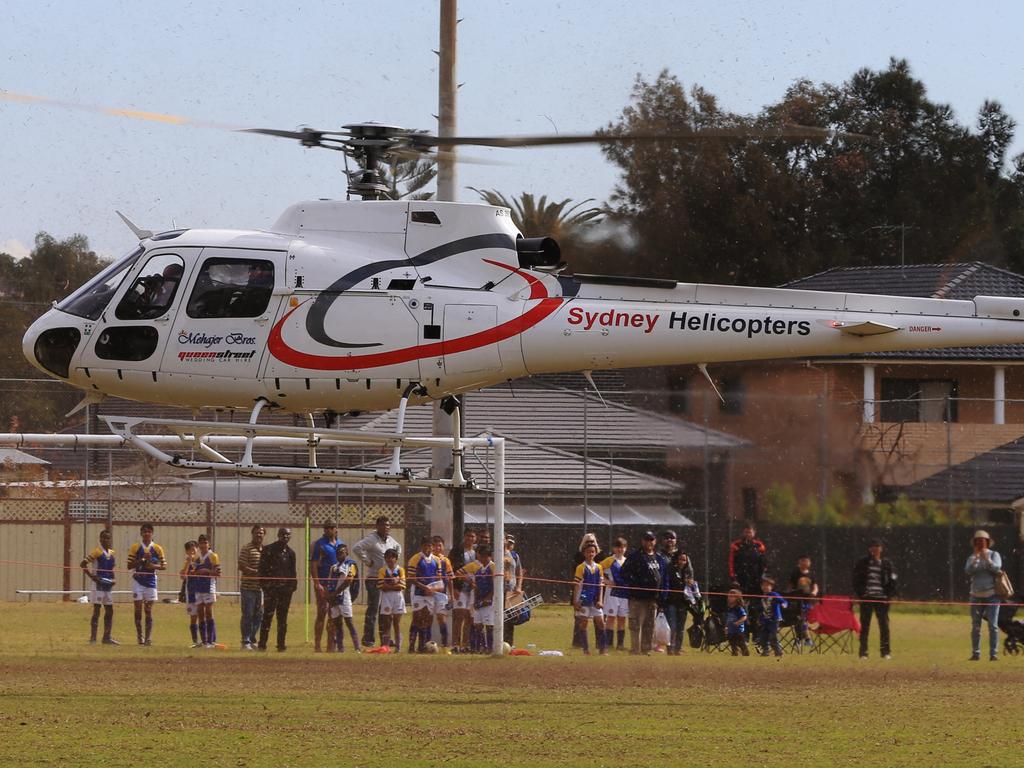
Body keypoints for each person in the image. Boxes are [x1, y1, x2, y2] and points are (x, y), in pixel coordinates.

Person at [351, 516, 402, 647]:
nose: (386, 528)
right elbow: (357, 548)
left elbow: (398, 548)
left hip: (387, 578)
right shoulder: (372, 539)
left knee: (385, 611)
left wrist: (394, 562)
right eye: (384, 525)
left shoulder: (390, 540)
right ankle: (368, 639)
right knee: (373, 609)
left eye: (388, 525)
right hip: (374, 578)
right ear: (378, 526)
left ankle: (385, 638)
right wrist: (368, 561)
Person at [621, 531, 667, 655]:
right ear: (642, 541)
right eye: (647, 539)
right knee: (635, 624)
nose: (649, 542)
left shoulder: (659, 558)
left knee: (649, 625)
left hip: (653, 598)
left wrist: (662, 594)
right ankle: (635, 649)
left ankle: (646, 648)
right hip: (637, 597)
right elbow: (624, 573)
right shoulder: (635, 556)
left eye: (651, 539)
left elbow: (662, 577)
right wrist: (637, 584)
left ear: (655, 541)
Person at [852, 538, 897, 660]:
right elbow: (855, 579)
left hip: (881, 599)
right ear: (869, 549)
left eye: (877, 547)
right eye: (872, 546)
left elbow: (893, 580)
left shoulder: (887, 563)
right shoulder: (863, 562)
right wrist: (861, 594)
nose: (874, 549)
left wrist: (888, 596)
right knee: (865, 626)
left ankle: (885, 652)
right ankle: (863, 653)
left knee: (884, 626)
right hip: (867, 598)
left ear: (881, 549)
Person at [126, 523, 167, 646]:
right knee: (138, 609)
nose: (147, 534)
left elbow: (164, 566)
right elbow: (129, 565)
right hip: (138, 580)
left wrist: (152, 566)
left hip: (151, 581)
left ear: (152, 533)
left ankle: (148, 638)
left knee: (148, 610)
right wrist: (142, 559)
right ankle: (140, 637)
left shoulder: (158, 548)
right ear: (141, 533)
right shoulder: (135, 547)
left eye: (149, 531)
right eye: (144, 531)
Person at [965, 529, 1003, 661]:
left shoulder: (994, 554)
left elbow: (997, 568)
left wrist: (987, 559)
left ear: (987, 542)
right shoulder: (971, 557)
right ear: (975, 543)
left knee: (993, 625)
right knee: (976, 626)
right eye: (978, 541)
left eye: (983, 541)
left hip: (992, 594)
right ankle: (976, 653)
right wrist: (976, 558)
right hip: (975, 595)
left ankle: (993, 654)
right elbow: (969, 571)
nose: (980, 543)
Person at [258, 527, 297, 652]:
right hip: (271, 590)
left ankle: (281, 645)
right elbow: (261, 570)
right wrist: (266, 587)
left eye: (288, 535)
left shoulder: (291, 553)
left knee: (282, 618)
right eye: (283, 534)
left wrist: (291, 587)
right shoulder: (269, 550)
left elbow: (292, 572)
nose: (286, 537)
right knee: (267, 617)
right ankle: (262, 644)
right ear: (278, 535)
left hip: (285, 591)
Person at [80, 529, 118, 645]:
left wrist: (113, 579)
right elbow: (83, 564)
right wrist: (92, 577)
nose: (106, 540)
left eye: (108, 538)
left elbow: (111, 569)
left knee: (109, 610)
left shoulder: (112, 553)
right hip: (98, 585)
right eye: (104, 538)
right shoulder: (97, 552)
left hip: (108, 585)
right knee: (97, 610)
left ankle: (106, 637)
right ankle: (93, 638)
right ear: (100, 539)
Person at [407, 536, 444, 653]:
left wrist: (436, 588)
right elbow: (411, 578)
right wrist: (424, 587)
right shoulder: (415, 559)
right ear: (422, 546)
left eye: (430, 546)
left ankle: (423, 646)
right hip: (418, 592)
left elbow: (438, 578)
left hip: (431, 594)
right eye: (426, 545)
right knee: (417, 618)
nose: (428, 548)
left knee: (427, 619)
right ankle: (411, 645)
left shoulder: (437, 560)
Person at [310, 520, 341, 652]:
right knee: (322, 612)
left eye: (332, 527)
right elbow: (313, 565)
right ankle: (317, 645)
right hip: (324, 584)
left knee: (333, 615)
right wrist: (317, 583)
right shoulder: (320, 545)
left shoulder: (340, 544)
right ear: (324, 529)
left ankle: (331, 646)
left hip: (336, 584)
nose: (329, 530)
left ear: (336, 529)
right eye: (327, 527)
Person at [661, 550, 697, 656]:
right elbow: (670, 584)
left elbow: (690, 588)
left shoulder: (686, 572)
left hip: (683, 603)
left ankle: (678, 648)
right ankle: (670, 648)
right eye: (681, 559)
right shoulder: (670, 570)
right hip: (671, 602)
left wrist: (691, 584)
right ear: (676, 559)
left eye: (685, 560)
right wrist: (683, 582)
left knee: (681, 627)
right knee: (672, 626)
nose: (683, 562)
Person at [573, 542, 607, 655]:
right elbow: (577, 585)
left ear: (596, 553)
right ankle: (586, 649)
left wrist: (600, 600)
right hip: (584, 598)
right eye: (588, 552)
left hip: (595, 599)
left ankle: (603, 649)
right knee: (584, 622)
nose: (591, 554)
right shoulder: (581, 567)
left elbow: (601, 585)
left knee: (601, 622)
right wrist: (575, 601)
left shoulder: (599, 567)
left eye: (593, 551)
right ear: (584, 553)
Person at [327, 543, 361, 653]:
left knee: (349, 622)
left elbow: (348, 581)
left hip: (344, 596)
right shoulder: (334, 567)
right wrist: (329, 596)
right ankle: (341, 648)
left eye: (342, 552)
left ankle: (357, 648)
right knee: (337, 624)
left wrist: (336, 592)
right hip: (333, 598)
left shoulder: (350, 564)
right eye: (337, 553)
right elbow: (330, 582)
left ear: (346, 553)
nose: (339, 555)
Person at [448, 529, 478, 653]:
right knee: (458, 616)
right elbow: (451, 570)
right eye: (468, 536)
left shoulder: (477, 552)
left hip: (473, 589)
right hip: (460, 588)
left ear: (475, 538)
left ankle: (465, 645)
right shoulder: (457, 551)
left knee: (469, 618)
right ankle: (455, 644)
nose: (470, 539)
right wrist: (454, 587)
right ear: (464, 537)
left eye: (472, 536)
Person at [599, 537, 630, 651]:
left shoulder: (627, 561)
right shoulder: (609, 560)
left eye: (622, 547)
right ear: (614, 548)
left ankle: (620, 644)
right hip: (612, 593)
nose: (620, 549)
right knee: (611, 617)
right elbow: (598, 569)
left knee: (622, 618)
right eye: (618, 547)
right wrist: (606, 581)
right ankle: (609, 643)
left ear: (625, 548)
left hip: (625, 593)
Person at [238, 525, 265, 650]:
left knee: (259, 615)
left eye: (261, 533)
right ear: (252, 533)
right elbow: (242, 565)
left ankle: (252, 638)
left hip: (260, 589)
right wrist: (255, 572)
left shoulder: (265, 550)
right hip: (248, 587)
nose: (259, 535)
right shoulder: (247, 548)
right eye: (256, 533)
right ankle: (245, 641)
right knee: (247, 614)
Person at [193, 534, 221, 648]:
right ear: (198, 545)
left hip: (209, 586)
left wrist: (206, 571)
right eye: (201, 542)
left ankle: (211, 640)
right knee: (200, 613)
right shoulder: (197, 557)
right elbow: (193, 572)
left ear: (208, 544)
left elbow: (218, 573)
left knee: (208, 612)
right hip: (199, 587)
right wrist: (197, 572)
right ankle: (204, 641)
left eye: (205, 542)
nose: (203, 545)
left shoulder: (213, 556)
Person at [377, 548, 406, 651]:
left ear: (396, 559)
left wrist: (388, 584)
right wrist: (394, 584)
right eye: (387, 557)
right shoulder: (382, 570)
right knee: (387, 622)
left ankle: (398, 647)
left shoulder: (400, 570)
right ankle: (386, 647)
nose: (390, 559)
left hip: (397, 597)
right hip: (386, 597)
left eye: (392, 557)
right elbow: (381, 586)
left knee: (396, 623)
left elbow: (401, 586)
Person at [471, 545, 496, 654]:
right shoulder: (479, 570)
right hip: (479, 601)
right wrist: (476, 600)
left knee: (489, 625)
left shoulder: (493, 568)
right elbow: (476, 586)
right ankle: (480, 647)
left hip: (489, 602)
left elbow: (496, 586)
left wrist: (488, 598)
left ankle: (490, 647)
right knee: (478, 625)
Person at [431, 535, 455, 649]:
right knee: (426, 618)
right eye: (435, 545)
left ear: (443, 547)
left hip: (442, 594)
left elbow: (450, 579)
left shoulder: (446, 560)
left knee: (441, 617)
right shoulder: (428, 559)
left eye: (439, 545)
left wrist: (451, 595)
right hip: (429, 593)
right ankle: (425, 643)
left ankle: (444, 644)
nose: (437, 548)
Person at [502, 535, 525, 647]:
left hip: (512, 591)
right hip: (498, 592)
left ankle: (509, 645)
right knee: (497, 618)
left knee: (511, 618)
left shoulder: (515, 556)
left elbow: (519, 572)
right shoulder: (494, 554)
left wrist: (519, 587)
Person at [757, 576, 787, 657]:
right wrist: (760, 619)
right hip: (765, 620)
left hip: (774, 620)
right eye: (763, 585)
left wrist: (784, 604)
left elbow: (783, 601)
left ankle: (778, 651)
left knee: (772, 637)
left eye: (767, 585)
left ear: (771, 587)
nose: (765, 587)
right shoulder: (762, 598)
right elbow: (762, 610)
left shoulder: (774, 594)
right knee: (763, 637)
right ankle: (765, 651)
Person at [180, 540, 200, 647]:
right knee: (193, 616)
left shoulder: (201, 560)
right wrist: (188, 563)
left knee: (203, 615)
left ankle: (205, 640)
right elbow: (183, 576)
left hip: (201, 591)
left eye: (194, 548)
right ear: (186, 552)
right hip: (191, 591)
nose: (192, 551)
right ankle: (195, 640)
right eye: (189, 550)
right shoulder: (187, 562)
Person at [725, 588, 749, 656]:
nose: (730, 598)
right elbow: (728, 618)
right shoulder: (729, 608)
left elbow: (744, 617)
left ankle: (745, 653)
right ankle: (734, 653)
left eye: (732, 596)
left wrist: (738, 622)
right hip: (731, 629)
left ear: (737, 598)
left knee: (741, 643)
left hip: (738, 630)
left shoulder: (739, 608)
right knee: (732, 642)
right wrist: (726, 627)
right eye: (729, 596)